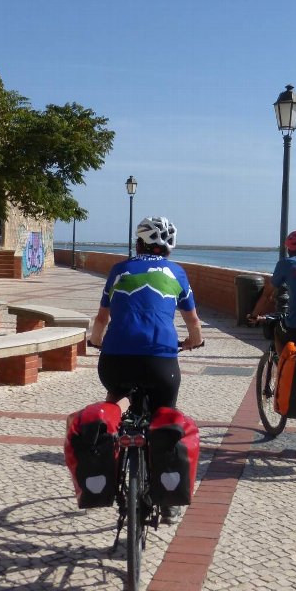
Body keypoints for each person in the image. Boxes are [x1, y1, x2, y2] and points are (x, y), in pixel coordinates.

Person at [89, 215, 203, 523]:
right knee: (164, 420)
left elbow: (101, 321)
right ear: (168, 249)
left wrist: (96, 343)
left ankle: (108, 456)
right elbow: (193, 323)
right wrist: (193, 342)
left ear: (138, 243)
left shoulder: (119, 270)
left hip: (115, 361)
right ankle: (168, 502)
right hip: (160, 363)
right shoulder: (177, 273)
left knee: (117, 399)